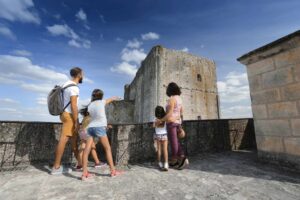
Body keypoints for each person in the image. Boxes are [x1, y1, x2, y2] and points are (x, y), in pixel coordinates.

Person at [81, 89, 123, 180]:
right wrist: (116, 97)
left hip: (90, 127)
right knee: (107, 148)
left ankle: (84, 174)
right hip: (100, 127)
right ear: (101, 96)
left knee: (86, 150)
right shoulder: (102, 102)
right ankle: (113, 171)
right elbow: (111, 99)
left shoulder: (90, 105)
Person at [51, 67, 83, 175]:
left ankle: (80, 163)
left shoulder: (65, 84)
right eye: (82, 74)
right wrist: (77, 121)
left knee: (73, 140)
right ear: (79, 74)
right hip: (69, 116)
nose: (83, 76)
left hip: (63, 114)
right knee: (64, 139)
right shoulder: (74, 87)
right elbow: (74, 106)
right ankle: (56, 167)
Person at [159, 82, 189, 170]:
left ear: (170, 90)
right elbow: (181, 113)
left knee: (173, 142)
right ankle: (176, 161)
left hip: (171, 123)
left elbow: (170, 113)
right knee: (176, 141)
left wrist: (161, 120)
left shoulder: (171, 99)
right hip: (177, 122)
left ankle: (180, 158)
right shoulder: (179, 99)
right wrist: (179, 122)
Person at [153, 106, 169, 171]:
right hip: (164, 135)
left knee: (159, 149)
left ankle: (159, 163)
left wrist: (157, 123)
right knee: (165, 150)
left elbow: (153, 126)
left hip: (158, 135)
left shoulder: (155, 119)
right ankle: (166, 164)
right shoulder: (164, 119)